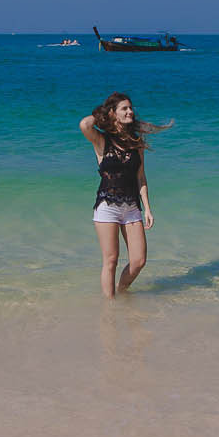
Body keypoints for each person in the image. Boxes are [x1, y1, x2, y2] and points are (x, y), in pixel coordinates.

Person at [78, 92, 166, 299]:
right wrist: (103, 114)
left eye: (131, 108)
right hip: (107, 205)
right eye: (124, 109)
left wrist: (148, 209)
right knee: (111, 260)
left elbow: (141, 177)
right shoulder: (101, 140)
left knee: (139, 260)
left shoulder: (137, 142)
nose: (130, 112)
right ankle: (110, 309)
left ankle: (121, 292)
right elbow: (84, 124)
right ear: (113, 113)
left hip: (132, 207)